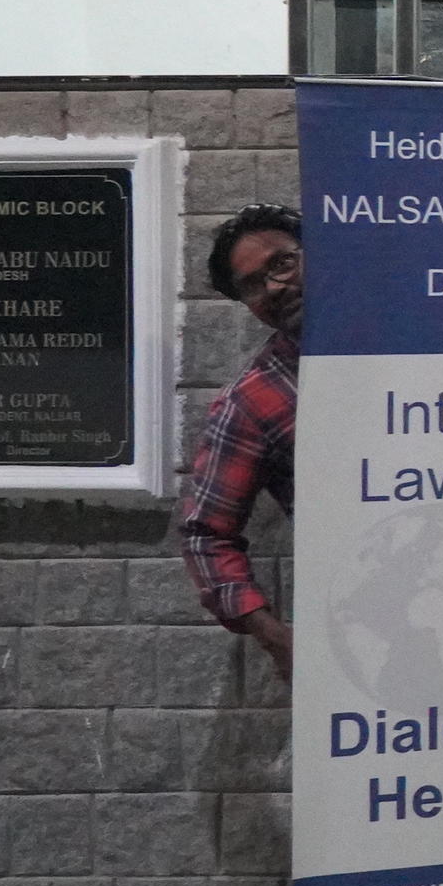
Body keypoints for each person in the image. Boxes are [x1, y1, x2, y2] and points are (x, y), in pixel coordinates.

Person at [177, 205, 305, 683]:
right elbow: (206, 535)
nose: (273, 287)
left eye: (282, 263)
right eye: (252, 285)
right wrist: (275, 637)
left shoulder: (423, 344)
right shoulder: (252, 402)